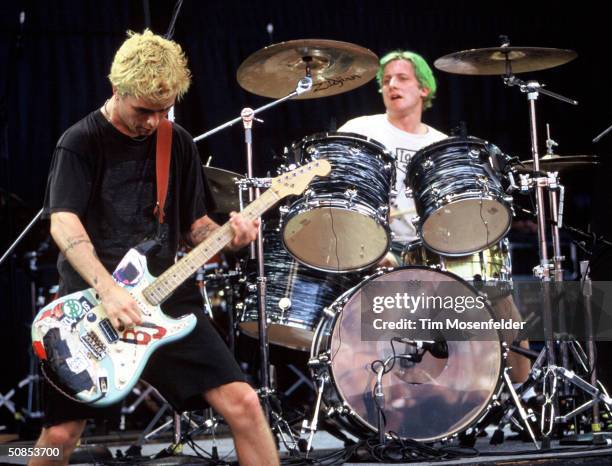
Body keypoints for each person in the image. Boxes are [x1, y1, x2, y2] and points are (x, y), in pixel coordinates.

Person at [31, 30, 279, 466]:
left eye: (163, 111)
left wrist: (231, 235)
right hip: (91, 308)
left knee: (244, 404)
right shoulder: (80, 142)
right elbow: (63, 221)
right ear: (117, 90)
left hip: (164, 299)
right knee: (59, 434)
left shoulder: (175, 140)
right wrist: (109, 289)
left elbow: (195, 226)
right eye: (143, 110)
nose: (151, 121)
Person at [338, 50, 530, 383]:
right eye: (385, 81)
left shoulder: (442, 144)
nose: (391, 85)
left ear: (424, 89)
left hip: (434, 249)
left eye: (401, 78)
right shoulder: (360, 129)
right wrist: (371, 248)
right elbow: (341, 199)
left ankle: (521, 388)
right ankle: (405, 387)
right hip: (382, 248)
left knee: (496, 285)